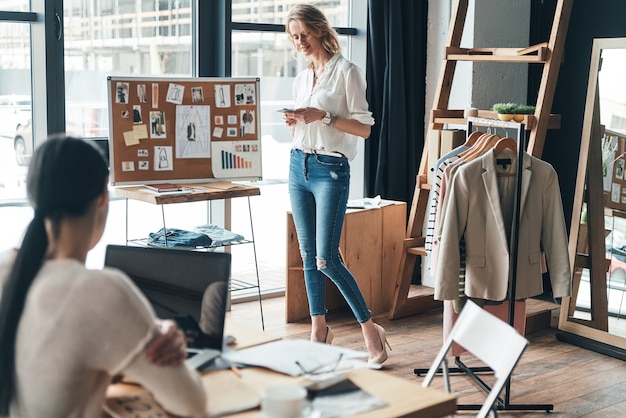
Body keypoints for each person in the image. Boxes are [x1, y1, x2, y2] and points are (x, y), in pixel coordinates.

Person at [0, 136, 207, 417]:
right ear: (102, 196)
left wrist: (148, 329)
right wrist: (152, 333)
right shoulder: (98, 291)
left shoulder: (8, 268)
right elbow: (192, 404)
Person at [283, 4, 389, 365]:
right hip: (299, 165)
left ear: (319, 30)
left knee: (327, 258)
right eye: (294, 36)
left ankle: (370, 332)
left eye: (304, 34)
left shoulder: (348, 72)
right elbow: (307, 122)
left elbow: (364, 128)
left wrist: (323, 116)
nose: (299, 42)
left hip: (330, 169)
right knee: (308, 257)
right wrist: (297, 121)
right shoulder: (301, 78)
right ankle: (319, 331)